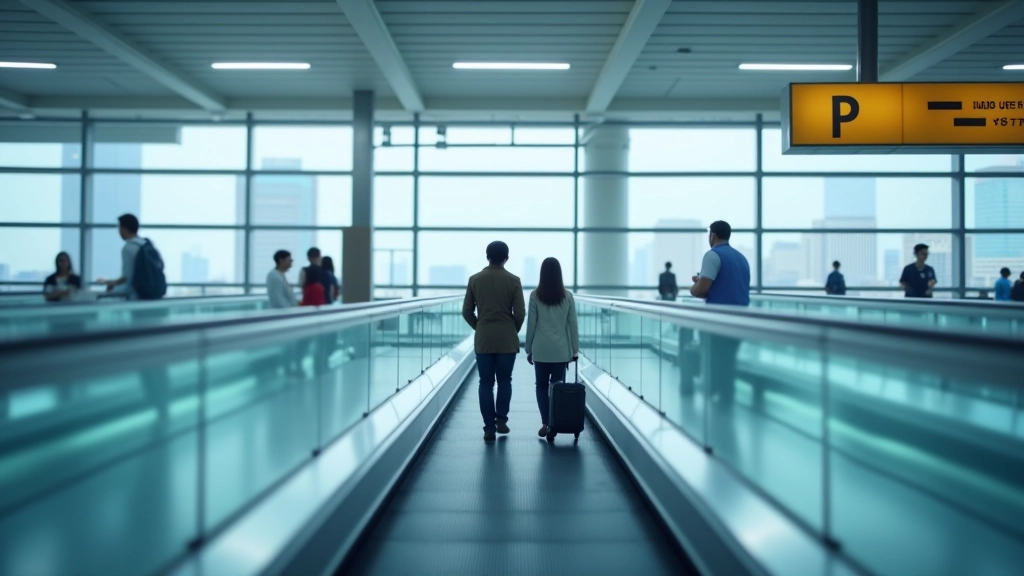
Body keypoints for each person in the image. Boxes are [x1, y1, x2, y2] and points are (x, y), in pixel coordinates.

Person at [462, 241, 526, 442]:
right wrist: (511, 329)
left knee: (486, 383)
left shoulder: (475, 280)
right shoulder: (514, 280)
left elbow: (466, 311)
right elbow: (520, 312)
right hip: (507, 338)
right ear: (506, 258)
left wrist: (479, 326)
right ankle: (501, 420)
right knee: (505, 380)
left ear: (487, 256)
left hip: (484, 338)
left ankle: (489, 428)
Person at [689, 220, 750, 405]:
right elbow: (730, 285)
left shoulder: (712, 255)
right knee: (728, 360)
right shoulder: (741, 258)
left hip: (717, 319)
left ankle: (715, 400)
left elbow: (701, 290)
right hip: (740, 318)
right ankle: (726, 398)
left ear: (713, 235)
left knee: (714, 360)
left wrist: (694, 286)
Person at [525, 257, 579, 438]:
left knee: (541, 386)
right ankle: (555, 423)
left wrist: (528, 348)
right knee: (556, 386)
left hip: (541, 349)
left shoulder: (534, 295)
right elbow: (572, 325)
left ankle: (545, 422)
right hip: (561, 350)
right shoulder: (568, 296)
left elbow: (531, 324)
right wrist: (575, 350)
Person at [104, 214, 151, 300]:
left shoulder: (128, 248)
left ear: (124, 229)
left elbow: (128, 277)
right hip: (149, 293)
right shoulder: (145, 244)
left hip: (136, 295)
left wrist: (113, 286)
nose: (119, 231)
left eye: (119, 228)